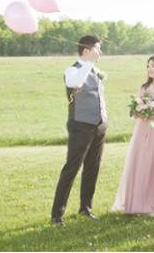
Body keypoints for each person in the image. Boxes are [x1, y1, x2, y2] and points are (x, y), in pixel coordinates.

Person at [50, 35, 107, 225]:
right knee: (71, 169)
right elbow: (76, 84)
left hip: (99, 126)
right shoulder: (72, 70)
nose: (101, 53)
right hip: (80, 125)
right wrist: (89, 63)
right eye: (98, 49)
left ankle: (86, 208)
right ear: (87, 50)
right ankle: (57, 215)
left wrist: (103, 120)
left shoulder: (95, 70)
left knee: (93, 167)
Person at [112, 55, 154, 215]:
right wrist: (140, 112)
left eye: (153, 66)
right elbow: (136, 110)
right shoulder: (144, 88)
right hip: (144, 129)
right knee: (143, 162)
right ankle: (141, 202)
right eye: (148, 66)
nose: (149, 69)